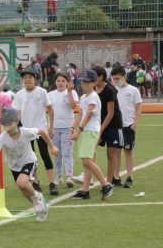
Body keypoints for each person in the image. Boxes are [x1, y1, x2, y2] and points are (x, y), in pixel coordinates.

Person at [0, 107, 55, 222]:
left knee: (22, 182)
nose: (8, 127)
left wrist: (52, 146)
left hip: (29, 161)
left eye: (10, 123)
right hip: (14, 166)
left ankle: (38, 200)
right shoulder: (3, 137)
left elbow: (42, 132)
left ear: (17, 122)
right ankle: (41, 207)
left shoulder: (26, 132)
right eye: (5, 124)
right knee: (24, 191)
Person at [71, 70, 115, 200]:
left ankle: (106, 184)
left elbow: (89, 115)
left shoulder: (93, 96)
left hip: (90, 131)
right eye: (83, 81)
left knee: (87, 160)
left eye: (87, 81)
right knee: (86, 162)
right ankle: (85, 191)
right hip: (86, 131)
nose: (84, 83)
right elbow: (81, 115)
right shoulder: (83, 97)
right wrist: (72, 127)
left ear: (94, 83)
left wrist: (79, 130)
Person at [14, 69, 57, 194]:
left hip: (40, 130)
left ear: (35, 79)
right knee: (31, 158)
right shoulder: (19, 94)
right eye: (25, 78)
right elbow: (17, 114)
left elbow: (50, 109)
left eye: (30, 78)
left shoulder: (42, 92)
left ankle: (52, 182)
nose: (27, 80)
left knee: (45, 155)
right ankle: (36, 182)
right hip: (26, 132)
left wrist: (51, 126)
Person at [111, 65, 142, 188]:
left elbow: (138, 107)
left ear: (124, 76)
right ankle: (116, 177)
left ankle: (129, 177)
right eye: (113, 79)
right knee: (116, 152)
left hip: (128, 125)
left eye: (117, 78)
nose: (115, 81)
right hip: (116, 126)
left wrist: (135, 124)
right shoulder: (113, 90)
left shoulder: (133, 90)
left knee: (128, 151)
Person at [93, 65, 123, 185]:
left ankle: (109, 182)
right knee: (91, 150)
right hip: (99, 124)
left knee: (111, 154)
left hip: (113, 125)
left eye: (94, 76)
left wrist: (101, 129)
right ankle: (87, 177)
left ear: (101, 77)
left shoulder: (110, 90)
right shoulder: (93, 89)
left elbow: (110, 113)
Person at [48, 72, 79, 189]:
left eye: (63, 81)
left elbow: (73, 106)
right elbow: (47, 110)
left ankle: (69, 176)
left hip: (67, 128)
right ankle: (59, 176)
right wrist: (50, 127)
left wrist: (70, 92)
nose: (60, 83)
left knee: (67, 153)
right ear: (55, 82)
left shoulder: (71, 93)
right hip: (55, 128)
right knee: (57, 153)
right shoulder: (50, 94)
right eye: (58, 81)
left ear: (67, 82)